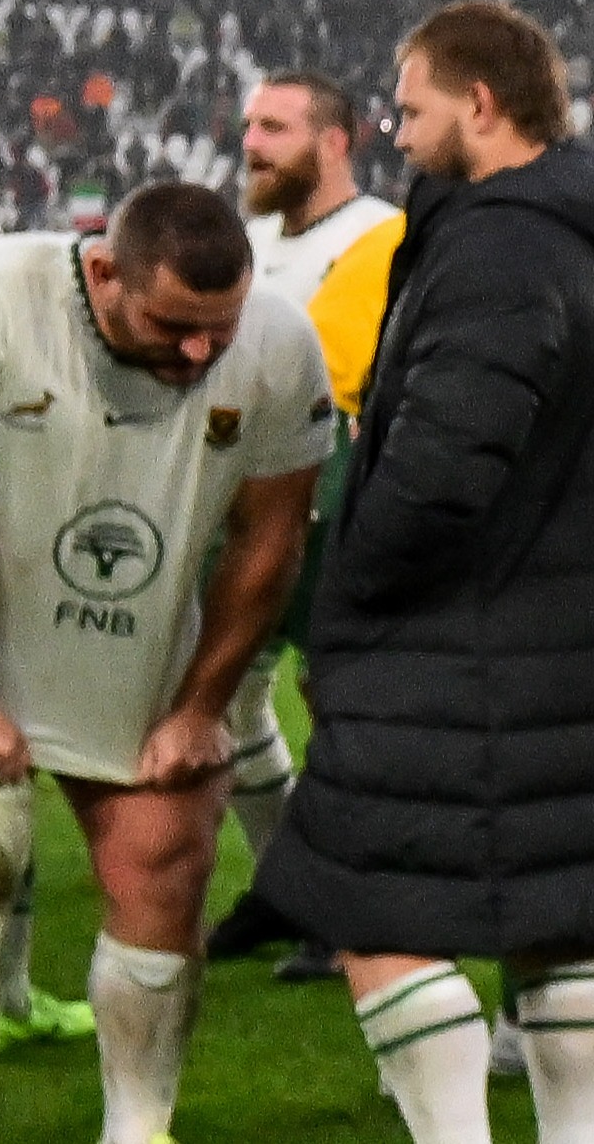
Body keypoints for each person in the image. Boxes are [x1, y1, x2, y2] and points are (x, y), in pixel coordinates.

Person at [261, 0, 594, 1144]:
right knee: (561, 911)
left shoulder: (500, 243)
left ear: (481, 104)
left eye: (414, 109)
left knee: (371, 902)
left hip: (478, 633)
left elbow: (440, 465)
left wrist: (347, 595)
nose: (398, 132)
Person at [0, 180, 331, 1144]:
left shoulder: (279, 346)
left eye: (221, 327)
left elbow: (269, 541)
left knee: (163, 875)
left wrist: (205, 706)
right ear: (106, 271)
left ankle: (140, 1131)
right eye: (172, 324)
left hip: (148, 650)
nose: (200, 351)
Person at [199, 66, 406, 982]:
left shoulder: (384, 238)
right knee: (227, 697)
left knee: (341, 708)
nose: (252, 143)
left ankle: (352, 903)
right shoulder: (240, 241)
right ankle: (294, 888)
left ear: (334, 141)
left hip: (334, 508)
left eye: (275, 128)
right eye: (250, 125)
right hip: (235, 503)